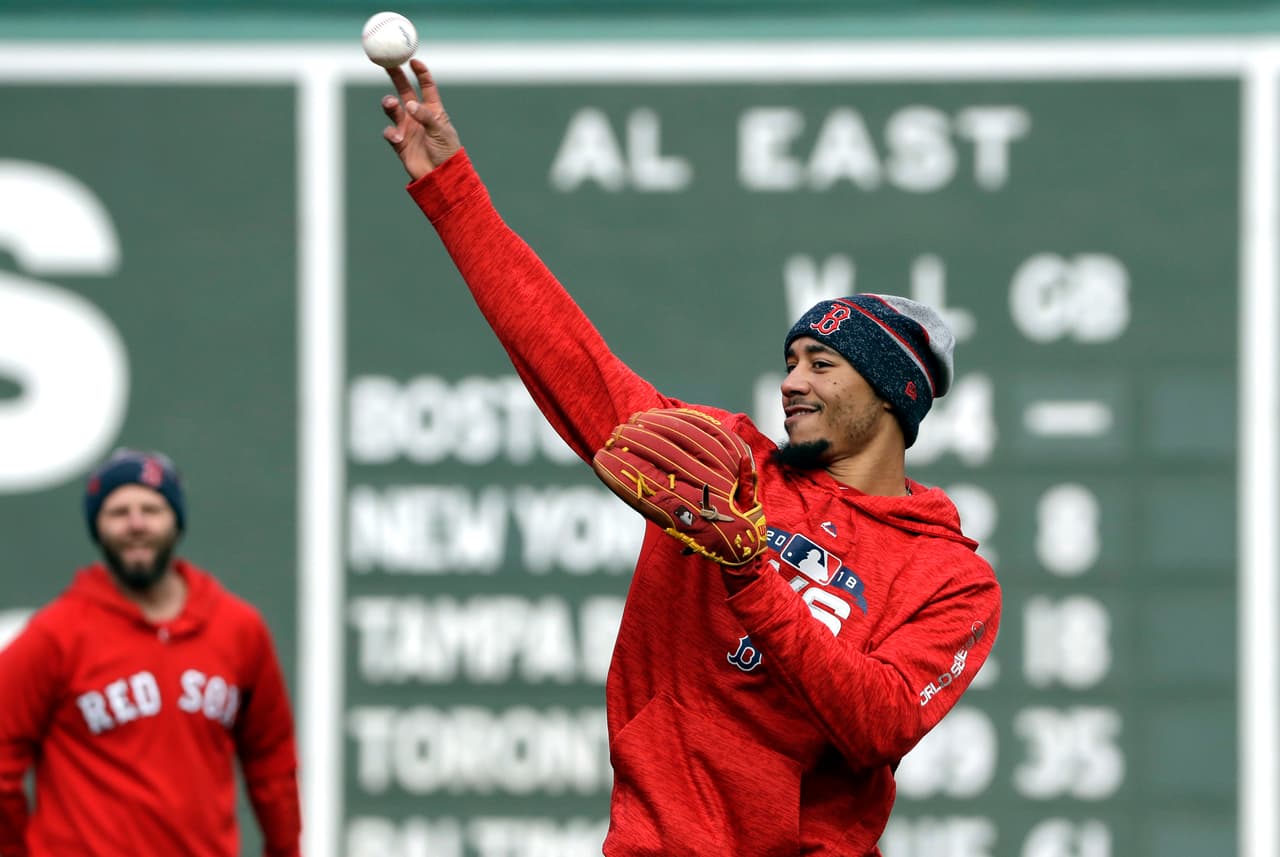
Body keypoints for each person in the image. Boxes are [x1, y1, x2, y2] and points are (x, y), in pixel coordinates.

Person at [377, 60, 1002, 856]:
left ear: (890, 394)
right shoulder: (721, 463)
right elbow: (568, 355)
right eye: (790, 359)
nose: (790, 381)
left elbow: (878, 724)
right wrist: (451, 190)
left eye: (821, 364)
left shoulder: (950, 577)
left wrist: (751, 570)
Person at [0, 449, 302, 857]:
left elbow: (272, 762)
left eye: (151, 508)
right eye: (118, 512)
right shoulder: (56, 635)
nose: (136, 524)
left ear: (176, 520)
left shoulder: (238, 628)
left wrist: (285, 850)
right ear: (97, 527)